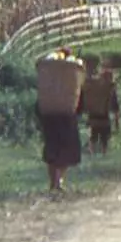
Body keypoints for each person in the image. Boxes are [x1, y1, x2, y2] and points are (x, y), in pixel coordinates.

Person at [37, 47, 86, 193]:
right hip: (66, 115)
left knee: (52, 147)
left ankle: (54, 181)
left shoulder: (48, 74)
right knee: (66, 149)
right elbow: (79, 95)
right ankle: (58, 180)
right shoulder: (72, 74)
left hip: (48, 114)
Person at [80, 57, 121, 157]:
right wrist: (117, 124)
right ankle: (103, 154)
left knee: (94, 137)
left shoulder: (94, 86)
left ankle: (92, 154)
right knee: (104, 139)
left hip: (94, 116)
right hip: (104, 117)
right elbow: (115, 109)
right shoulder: (110, 89)